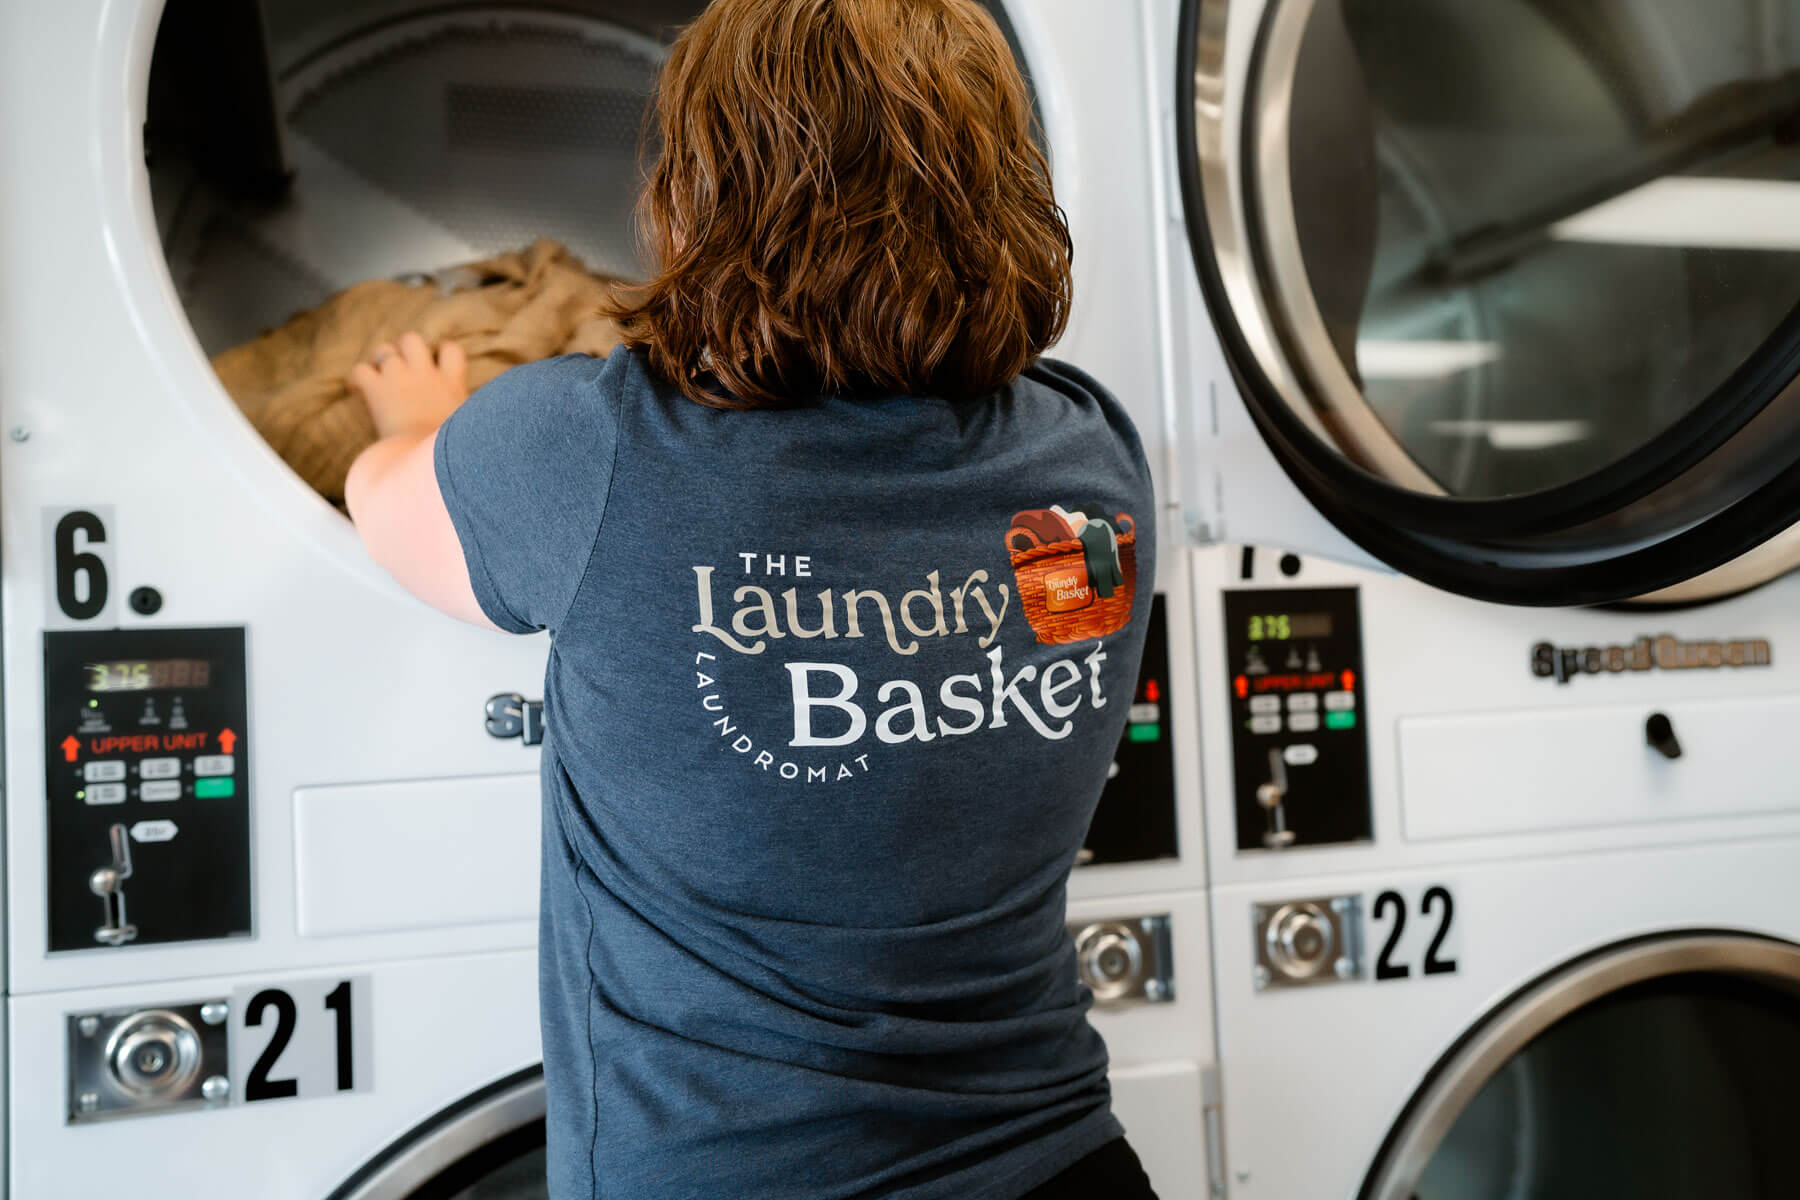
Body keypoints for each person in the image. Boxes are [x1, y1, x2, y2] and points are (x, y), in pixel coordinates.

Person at [343, 1, 1160, 1196]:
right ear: (1005, 178)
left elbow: (387, 512)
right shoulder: (1088, 455)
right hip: (1062, 1166)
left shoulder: (596, 448)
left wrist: (420, 424)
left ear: (693, 192)